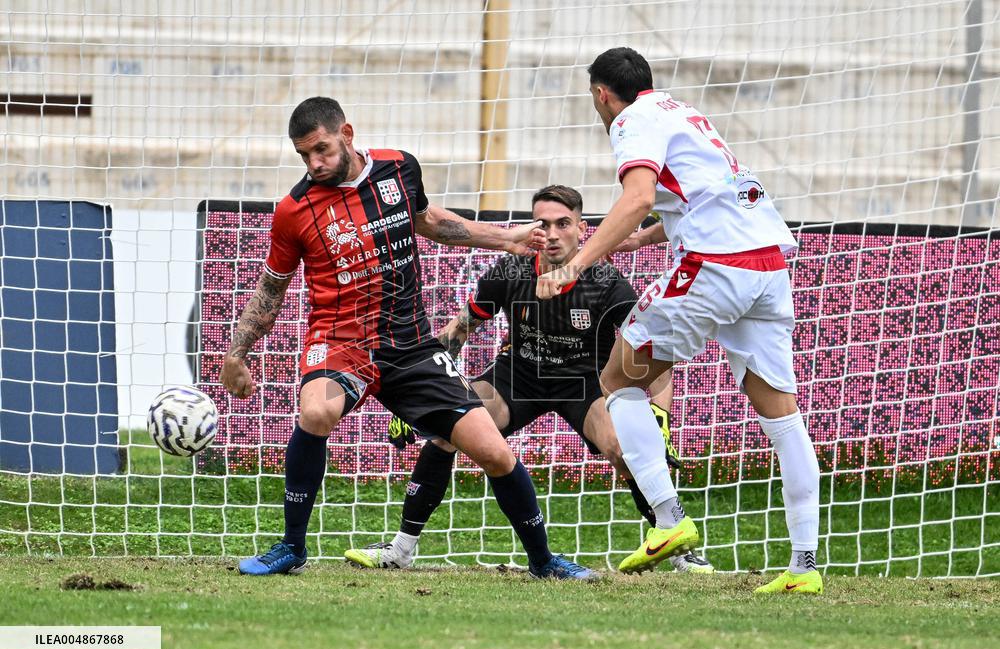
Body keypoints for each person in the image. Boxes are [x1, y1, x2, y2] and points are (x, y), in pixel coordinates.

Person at [221, 97, 596, 580]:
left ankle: (544, 562)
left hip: (412, 346)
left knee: (495, 452)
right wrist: (237, 352)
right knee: (316, 411)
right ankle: (292, 546)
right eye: (304, 156)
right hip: (342, 343)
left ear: (348, 134)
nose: (315, 163)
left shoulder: (399, 169)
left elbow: (431, 222)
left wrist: (507, 238)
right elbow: (272, 288)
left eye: (322, 149)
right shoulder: (294, 211)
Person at [536, 48, 822, 594]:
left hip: (715, 268)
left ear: (600, 94)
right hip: (767, 266)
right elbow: (701, 196)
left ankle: (668, 522)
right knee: (782, 417)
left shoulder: (630, 119)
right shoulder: (682, 111)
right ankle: (804, 568)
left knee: (619, 379)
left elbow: (638, 196)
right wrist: (650, 235)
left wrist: (574, 264)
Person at [344, 185, 713, 574]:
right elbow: (460, 329)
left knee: (625, 449)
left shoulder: (607, 283)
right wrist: (418, 395)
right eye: (543, 224)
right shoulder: (511, 270)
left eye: (563, 224)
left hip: (585, 383)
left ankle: (677, 547)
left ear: (581, 228)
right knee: (445, 429)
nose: (552, 234)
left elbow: (651, 354)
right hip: (517, 376)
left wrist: (659, 414)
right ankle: (400, 550)